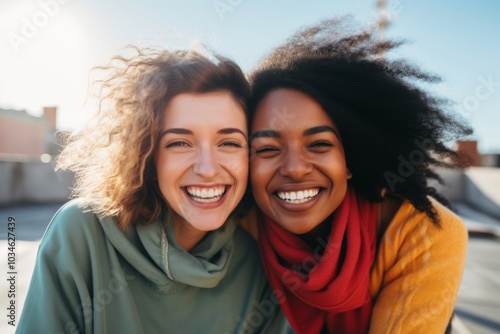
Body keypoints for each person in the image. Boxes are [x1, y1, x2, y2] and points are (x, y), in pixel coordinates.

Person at [17, 46, 286, 334]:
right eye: (180, 143)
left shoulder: (259, 265)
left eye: (229, 143)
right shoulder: (83, 232)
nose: (207, 169)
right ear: (147, 156)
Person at [244, 17, 472, 334]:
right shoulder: (238, 228)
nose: (295, 168)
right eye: (267, 149)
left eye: (320, 144)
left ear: (350, 158)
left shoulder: (423, 236)